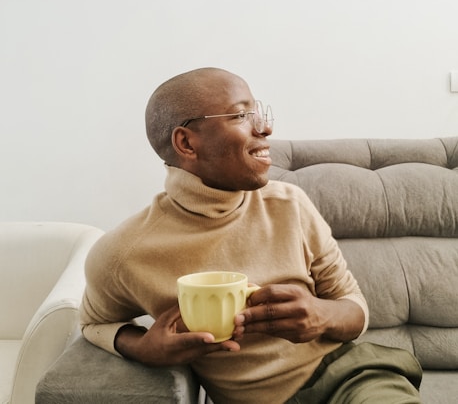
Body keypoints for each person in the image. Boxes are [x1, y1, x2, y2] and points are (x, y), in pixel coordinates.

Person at [80, 67, 422, 403]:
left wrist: (320, 315)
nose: (266, 128)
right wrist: (142, 347)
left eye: (259, 112)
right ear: (186, 143)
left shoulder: (290, 205)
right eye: (242, 115)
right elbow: (93, 322)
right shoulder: (123, 252)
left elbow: (355, 309)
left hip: (349, 378)